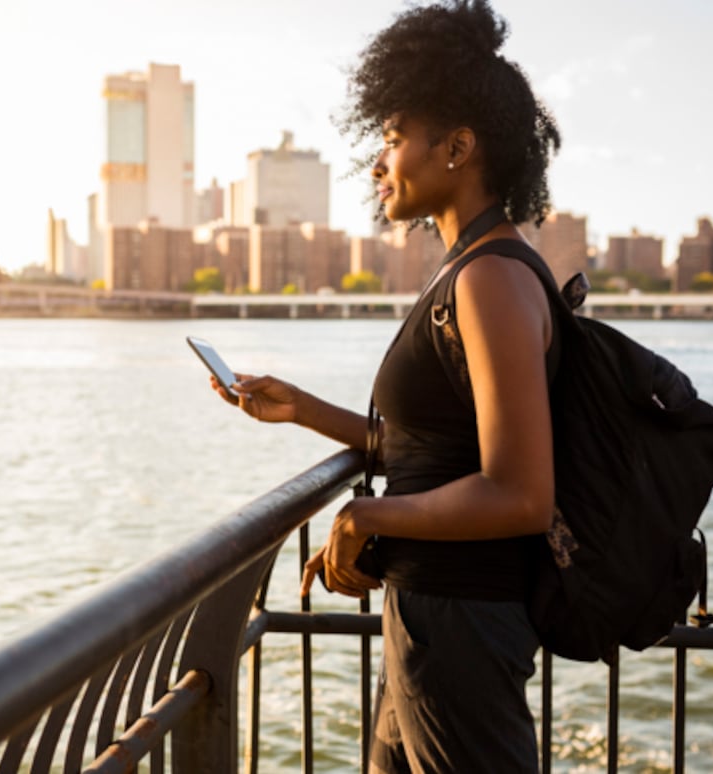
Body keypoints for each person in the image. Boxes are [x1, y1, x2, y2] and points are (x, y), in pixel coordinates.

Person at [210, 1, 562, 771]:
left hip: (463, 623)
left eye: (395, 138)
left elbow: (521, 491)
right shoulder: (467, 270)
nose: (378, 161)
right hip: (432, 618)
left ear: (459, 147)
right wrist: (303, 409)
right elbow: (434, 448)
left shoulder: (492, 278)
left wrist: (366, 512)